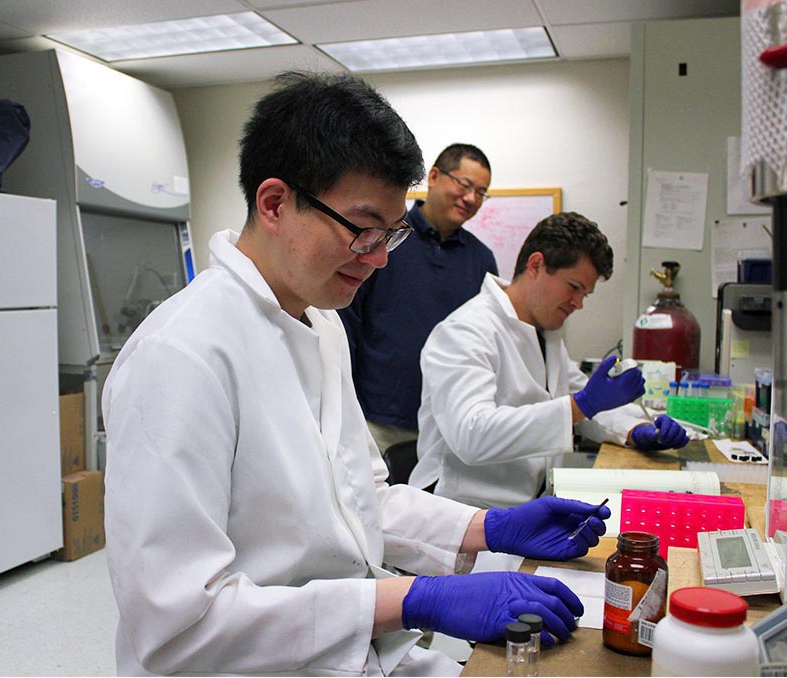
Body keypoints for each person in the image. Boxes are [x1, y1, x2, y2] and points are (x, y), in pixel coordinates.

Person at [102, 71, 611, 677]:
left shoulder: (321, 325)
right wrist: (411, 599)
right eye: (362, 228)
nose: (376, 259)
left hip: (351, 653)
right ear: (274, 203)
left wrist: (488, 527)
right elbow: (178, 628)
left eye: (392, 234)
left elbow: (360, 501)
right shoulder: (181, 356)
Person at [409, 212, 690, 508]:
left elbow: (582, 401)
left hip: (522, 507)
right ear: (536, 265)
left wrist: (634, 431)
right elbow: (472, 436)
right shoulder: (465, 332)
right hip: (461, 511)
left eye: (586, 294)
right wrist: (581, 405)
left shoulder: (546, 334)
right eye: (574, 287)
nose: (579, 303)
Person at [339, 143, 497, 454]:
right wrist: (345, 402)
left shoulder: (482, 260)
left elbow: (489, 341)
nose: (471, 199)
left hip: (449, 427)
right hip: (378, 421)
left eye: (481, 192)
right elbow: (349, 323)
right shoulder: (386, 242)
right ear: (434, 176)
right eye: (465, 185)